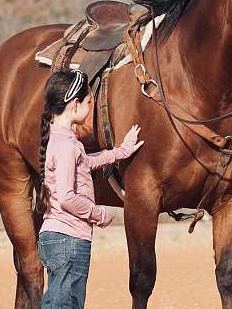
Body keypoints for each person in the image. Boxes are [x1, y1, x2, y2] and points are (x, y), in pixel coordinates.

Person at [36, 68, 143, 308]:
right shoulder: (65, 145)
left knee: (57, 302)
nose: (90, 107)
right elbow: (66, 197)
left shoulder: (61, 140)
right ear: (75, 105)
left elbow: (85, 162)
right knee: (66, 304)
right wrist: (100, 214)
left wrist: (121, 152)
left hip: (57, 237)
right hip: (69, 239)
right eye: (89, 102)